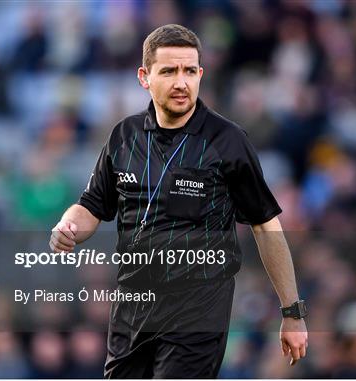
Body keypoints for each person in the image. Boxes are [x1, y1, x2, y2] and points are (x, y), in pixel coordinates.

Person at [50, 24, 308, 378]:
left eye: (189, 71)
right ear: (145, 76)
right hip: (132, 308)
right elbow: (92, 206)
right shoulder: (123, 137)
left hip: (197, 311)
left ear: (201, 74)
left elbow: (266, 225)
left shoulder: (227, 141)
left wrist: (292, 313)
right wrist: (68, 227)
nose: (181, 82)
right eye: (169, 71)